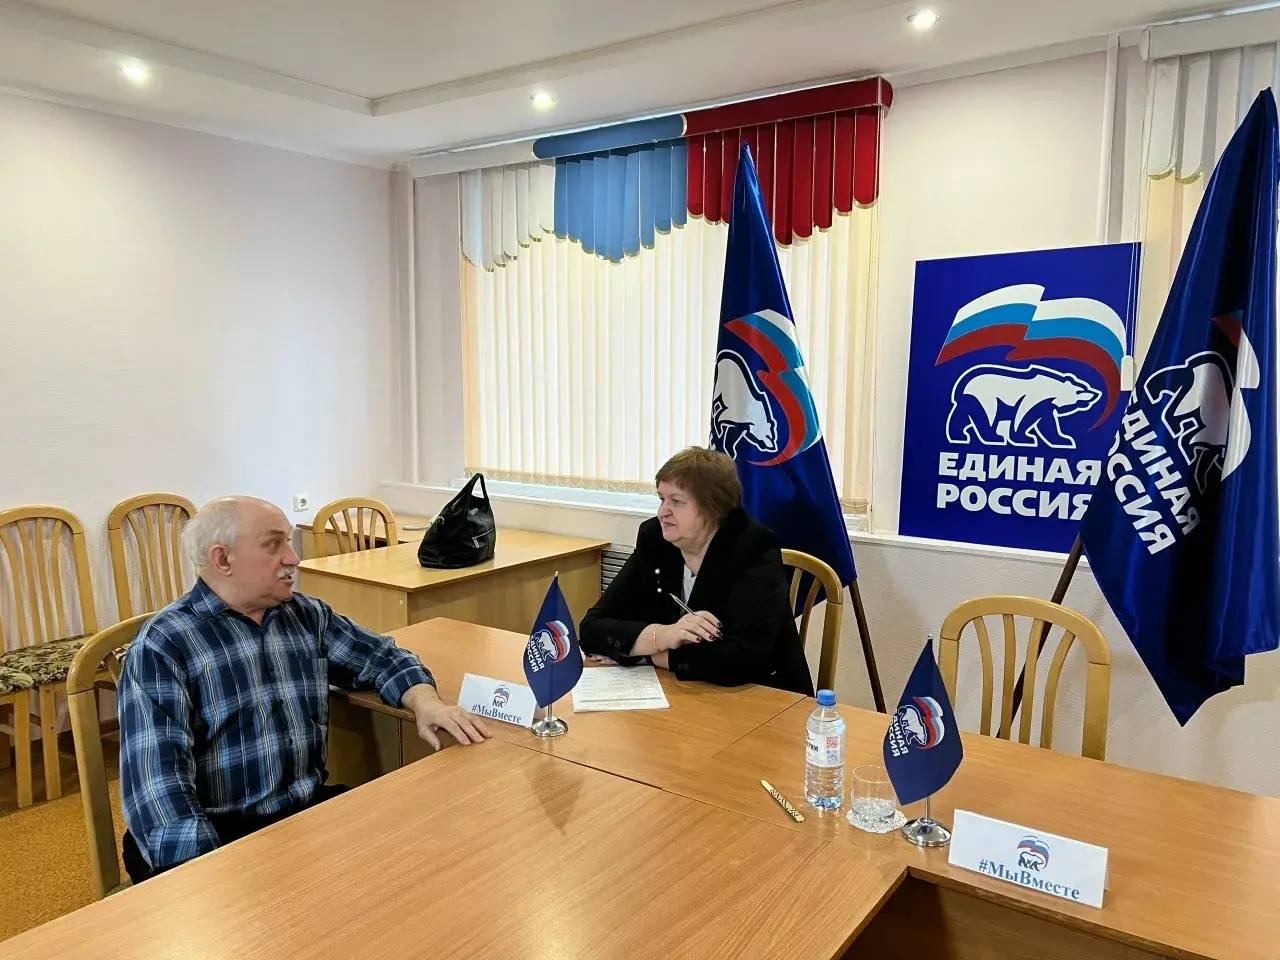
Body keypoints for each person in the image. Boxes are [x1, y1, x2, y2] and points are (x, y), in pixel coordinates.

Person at [117, 496, 491, 882]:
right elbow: (160, 793)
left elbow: (383, 658)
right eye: (273, 544)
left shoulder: (304, 614)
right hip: (218, 837)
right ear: (223, 559)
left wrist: (426, 701)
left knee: (421, 861)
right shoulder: (164, 646)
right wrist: (208, 881)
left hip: (300, 816)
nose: (293, 558)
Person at [581, 447, 814, 695]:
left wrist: (647, 655)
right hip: (677, 691)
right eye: (661, 499)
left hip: (763, 696)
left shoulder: (753, 547)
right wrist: (663, 635)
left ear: (713, 508)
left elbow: (741, 659)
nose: (662, 513)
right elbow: (592, 628)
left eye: (676, 502)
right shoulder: (654, 539)